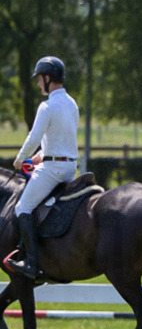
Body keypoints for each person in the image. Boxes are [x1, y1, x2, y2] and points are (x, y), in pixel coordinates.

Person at [7, 56, 79, 279]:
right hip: (69, 168)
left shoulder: (46, 106)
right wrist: (38, 158)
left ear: (48, 78)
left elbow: (33, 137)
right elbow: (59, 140)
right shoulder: (72, 102)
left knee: (22, 208)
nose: (38, 83)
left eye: (40, 79)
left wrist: (20, 159)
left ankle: (31, 262)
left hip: (53, 171)